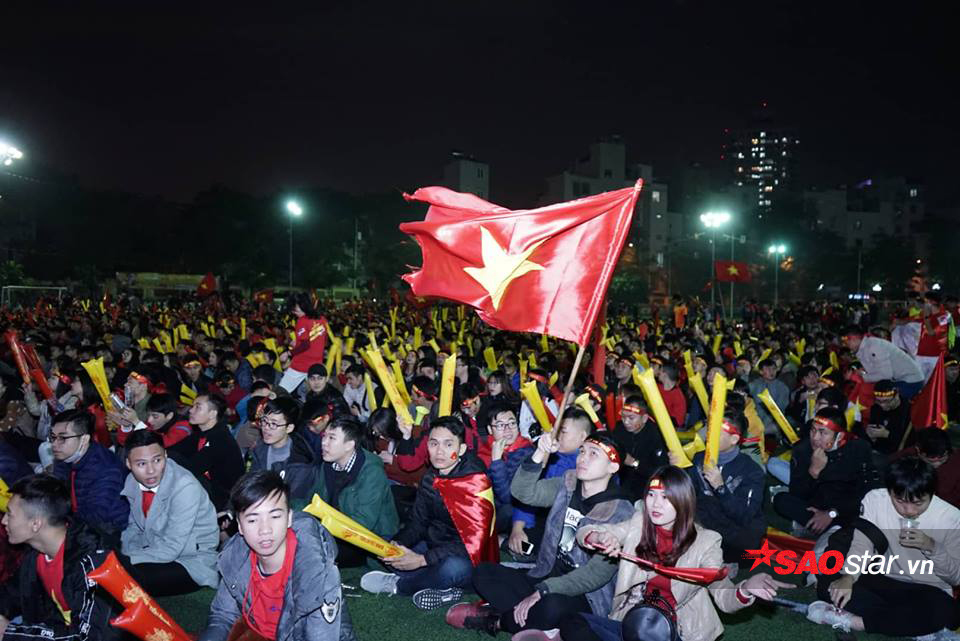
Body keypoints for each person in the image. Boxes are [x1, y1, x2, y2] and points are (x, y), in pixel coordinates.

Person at [559, 466, 790, 641]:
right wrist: (599, 538)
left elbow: (723, 595)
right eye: (651, 495)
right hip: (633, 623)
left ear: (683, 501)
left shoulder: (706, 541)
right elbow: (589, 531)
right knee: (573, 623)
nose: (655, 504)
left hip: (676, 631)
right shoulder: (639, 523)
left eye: (666, 497)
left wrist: (746, 588)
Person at [448, 432, 634, 636]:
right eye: (582, 451)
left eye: (593, 454)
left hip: (585, 595)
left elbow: (594, 576)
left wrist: (544, 590)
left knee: (552, 607)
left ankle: (497, 621)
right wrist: (539, 453)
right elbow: (523, 492)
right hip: (544, 574)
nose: (582, 458)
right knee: (483, 573)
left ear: (612, 466)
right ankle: (544, 626)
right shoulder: (568, 483)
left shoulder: (621, 512)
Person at [808, 458, 960, 638]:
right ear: (889, 491)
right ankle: (907, 623)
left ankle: (854, 621)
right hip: (883, 578)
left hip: (925, 588)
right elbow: (863, 542)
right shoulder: (876, 500)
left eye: (918, 503)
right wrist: (848, 576)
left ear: (932, 494)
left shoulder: (950, 518)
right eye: (900, 501)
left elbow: (955, 577)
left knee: (944, 610)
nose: (909, 510)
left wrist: (932, 547)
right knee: (830, 584)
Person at [199, 470, 350, 641]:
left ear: (289, 518)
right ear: (240, 526)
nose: (265, 530)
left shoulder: (317, 573)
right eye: (252, 520)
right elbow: (222, 616)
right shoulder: (235, 557)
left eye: (275, 516)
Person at [360, 416, 492, 610]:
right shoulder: (430, 477)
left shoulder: (475, 482)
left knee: (452, 569)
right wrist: (399, 543)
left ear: (462, 449)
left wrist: (422, 560)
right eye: (434, 443)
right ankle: (437, 584)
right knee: (381, 546)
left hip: (468, 556)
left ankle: (401, 585)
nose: (439, 451)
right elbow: (418, 521)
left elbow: (474, 543)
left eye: (448, 444)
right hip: (434, 545)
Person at [0, 474, 115, 641]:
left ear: (35, 524)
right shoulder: (35, 555)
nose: (4, 521)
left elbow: (89, 637)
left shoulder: (93, 563)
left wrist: (11, 633)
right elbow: (11, 594)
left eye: (9, 514)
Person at [119, 429, 219, 596]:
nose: (151, 470)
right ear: (129, 464)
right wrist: (124, 553)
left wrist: (125, 560)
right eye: (141, 464)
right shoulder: (132, 481)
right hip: (154, 548)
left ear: (165, 455)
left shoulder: (184, 486)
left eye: (157, 460)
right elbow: (134, 528)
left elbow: (171, 548)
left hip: (191, 559)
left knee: (127, 579)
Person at [305, 416, 398, 567]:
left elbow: (363, 522)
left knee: (315, 554)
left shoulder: (371, 472)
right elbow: (312, 500)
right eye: (324, 436)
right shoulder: (328, 464)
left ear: (349, 445)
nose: (324, 442)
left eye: (331, 438)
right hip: (335, 529)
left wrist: (323, 532)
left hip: (368, 538)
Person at [773, 407, 878, 537]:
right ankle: (826, 530)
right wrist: (813, 472)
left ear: (840, 436)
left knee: (866, 512)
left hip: (845, 507)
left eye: (823, 433)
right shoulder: (802, 449)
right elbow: (797, 493)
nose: (815, 437)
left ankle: (822, 529)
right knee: (781, 500)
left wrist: (832, 513)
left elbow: (867, 491)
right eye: (813, 430)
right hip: (815, 505)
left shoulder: (857, 448)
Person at [679, 413, 765, 563]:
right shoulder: (699, 458)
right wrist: (678, 468)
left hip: (734, 532)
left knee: (749, 552)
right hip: (706, 522)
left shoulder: (752, 471)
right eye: (709, 429)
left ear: (734, 439)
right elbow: (689, 493)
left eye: (716, 432)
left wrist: (721, 488)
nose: (708, 435)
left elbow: (744, 515)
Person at [508, 409, 590, 556]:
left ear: (583, 436)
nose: (557, 436)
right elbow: (529, 494)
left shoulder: (590, 467)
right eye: (556, 431)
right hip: (543, 518)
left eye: (563, 432)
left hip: (573, 527)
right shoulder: (550, 456)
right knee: (523, 543)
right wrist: (517, 528)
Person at [49, 409, 129, 539]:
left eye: (63, 438)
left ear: (84, 439)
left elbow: (95, 517)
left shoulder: (106, 469)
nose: (54, 444)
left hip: (110, 532)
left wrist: (56, 525)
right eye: (53, 437)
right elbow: (56, 492)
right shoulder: (65, 457)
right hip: (79, 524)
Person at [247, 397, 318, 500]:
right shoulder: (258, 449)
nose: (266, 428)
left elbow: (292, 501)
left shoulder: (301, 464)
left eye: (274, 424)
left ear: (289, 428)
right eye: (264, 421)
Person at [184, 394, 244, 513]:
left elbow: (191, 468)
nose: (191, 410)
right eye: (192, 406)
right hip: (212, 493)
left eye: (198, 407)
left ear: (212, 414)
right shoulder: (201, 434)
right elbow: (177, 449)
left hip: (226, 502)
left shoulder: (220, 438)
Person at [610, 395, 668, 498]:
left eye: (631, 418)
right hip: (620, 484)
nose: (626, 422)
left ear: (644, 418)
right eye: (623, 416)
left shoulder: (656, 436)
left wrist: (634, 463)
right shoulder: (619, 429)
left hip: (645, 489)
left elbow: (660, 471)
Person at [843, 327, 925, 400]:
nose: (845, 345)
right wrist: (862, 373)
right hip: (900, 379)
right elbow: (875, 370)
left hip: (911, 381)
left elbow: (885, 375)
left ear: (854, 338)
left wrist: (862, 377)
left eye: (846, 341)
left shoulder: (873, 346)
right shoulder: (865, 348)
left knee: (881, 399)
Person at [892, 427, 960, 508]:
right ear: (918, 451)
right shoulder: (904, 458)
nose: (936, 465)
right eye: (931, 461)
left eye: (942, 460)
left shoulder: (956, 461)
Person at [279, 293, 329, 394]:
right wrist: (297, 343)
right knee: (318, 396)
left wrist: (288, 353)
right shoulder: (322, 319)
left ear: (304, 306)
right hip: (316, 365)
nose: (294, 312)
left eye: (295, 309)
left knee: (281, 392)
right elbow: (324, 340)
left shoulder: (302, 321)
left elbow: (305, 345)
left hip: (301, 365)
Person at [863, 379, 911, 456]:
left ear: (896, 395)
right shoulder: (876, 408)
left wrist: (887, 434)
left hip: (897, 455)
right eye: (878, 401)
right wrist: (871, 435)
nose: (882, 405)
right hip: (877, 450)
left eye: (886, 401)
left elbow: (909, 442)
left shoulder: (909, 411)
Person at [749, 358, 790, 437]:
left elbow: (780, 408)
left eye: (774, 369)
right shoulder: (754, 385)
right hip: (755, 419)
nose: (772, 372)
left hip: (774, 420)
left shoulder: (782, 387)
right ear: (761, 372)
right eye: (768, 369)